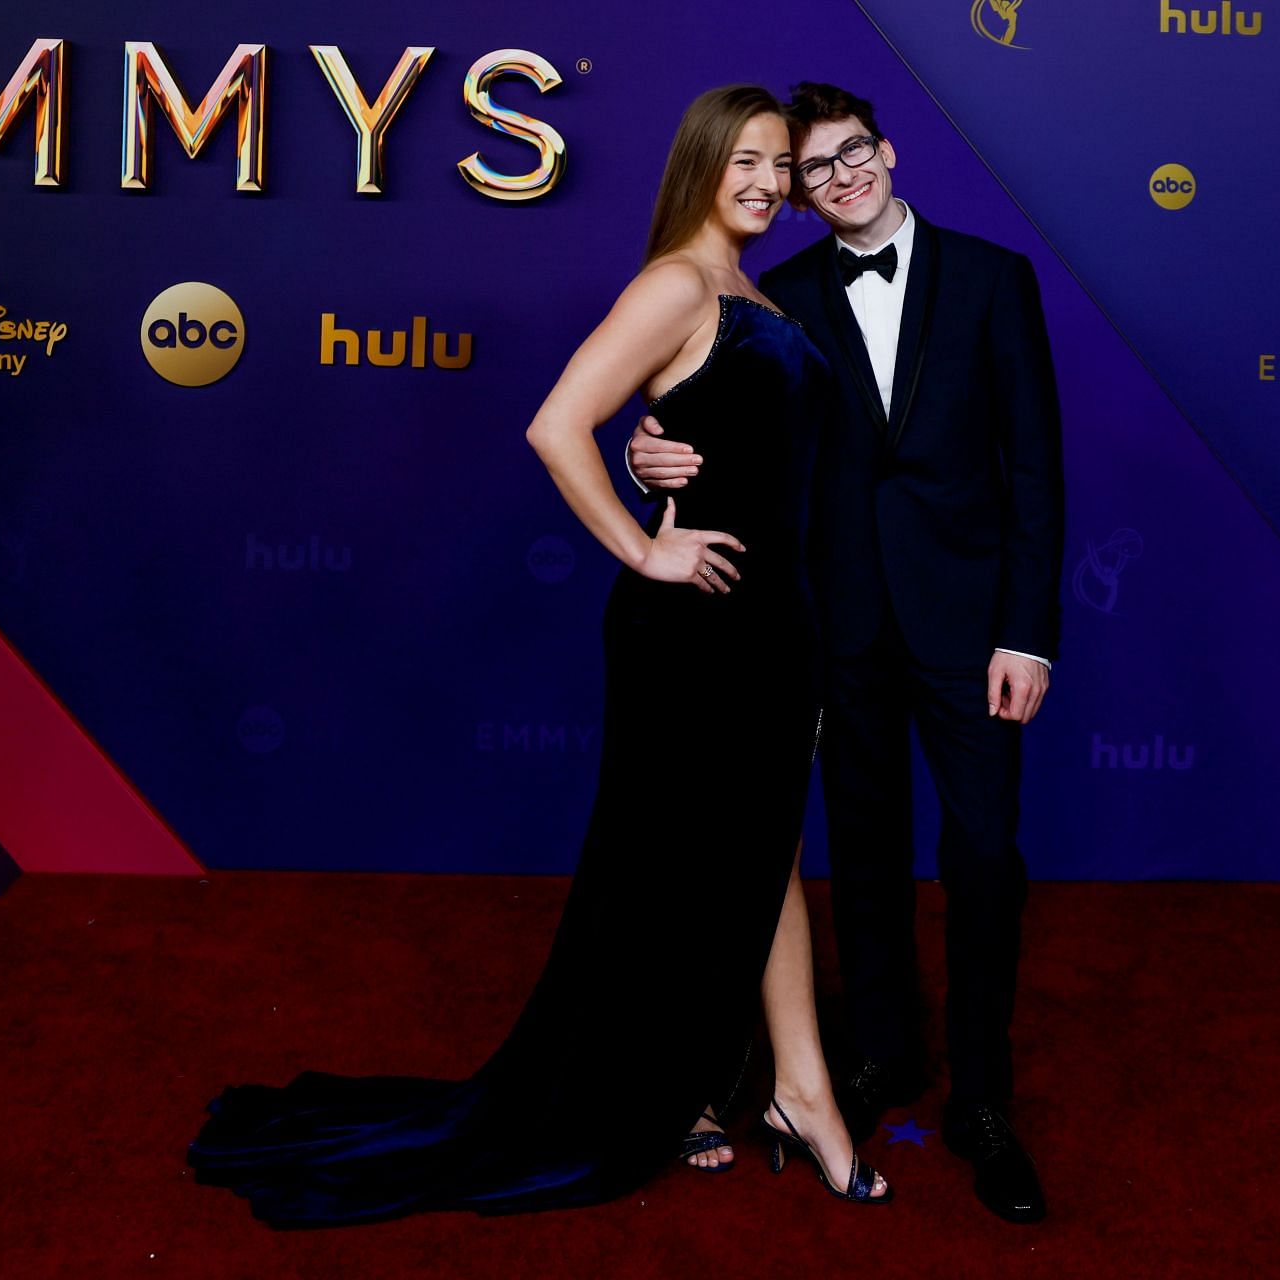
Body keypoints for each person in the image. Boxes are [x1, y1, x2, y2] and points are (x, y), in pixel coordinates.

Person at [185, 85, 890, 1227]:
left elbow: (747, 447)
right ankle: (732, 1090)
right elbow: (558, 423)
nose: (767, 183)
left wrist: (673, 457)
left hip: (772, 624)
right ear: (704, 163)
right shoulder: (675, 281)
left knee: (763, 849)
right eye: (747, 162)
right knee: (676, 860)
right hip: (698, 623)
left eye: (784, 168)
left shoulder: (753, 290)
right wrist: (639, 547)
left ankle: (788, 1088)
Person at [628, 81, 1064, 1224]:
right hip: (840, 623)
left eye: (850, 153)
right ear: (802, 193)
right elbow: (717, 414)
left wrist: (1027, 630)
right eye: (812, 170)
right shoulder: (780, 293)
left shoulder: (993, 277)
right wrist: (646, 447)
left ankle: (981, 1099)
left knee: (980, 857)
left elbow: (1035, 471)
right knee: (862, 856)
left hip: (975, 632)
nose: (836, 178)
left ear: (888, 149)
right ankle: (876, 1056)